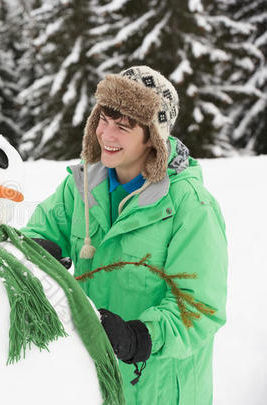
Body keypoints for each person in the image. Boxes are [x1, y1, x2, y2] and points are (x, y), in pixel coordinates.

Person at [21, 66, 227, 404]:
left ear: (153, 138)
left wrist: (141, 337)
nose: (107, 135)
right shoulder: (84, 185)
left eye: (123, 127)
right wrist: (38, 250)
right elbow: (39, 231)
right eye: (103, 119)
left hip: (159, 389)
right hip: (95, 380)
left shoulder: (191, 206)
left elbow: (200, 306)